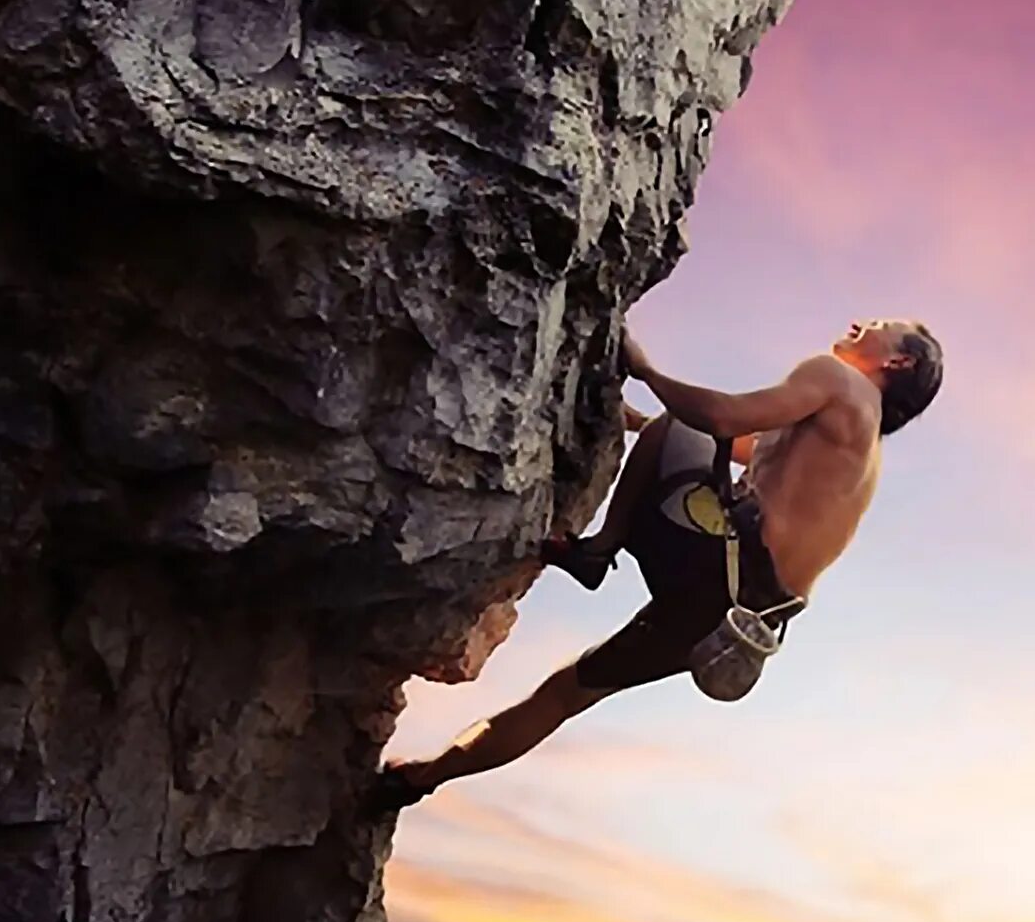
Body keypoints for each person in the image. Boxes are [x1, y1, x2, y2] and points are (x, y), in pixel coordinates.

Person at [369, 318, 943, 811]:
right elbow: (740, 449)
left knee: (687, 420)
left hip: (721, 569)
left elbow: (717, 420)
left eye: (881, 325)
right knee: (565, 695)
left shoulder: (837, 380)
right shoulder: (860, 447)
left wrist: (645, 369)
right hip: (740, 619)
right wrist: (638, 421)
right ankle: (419, 779)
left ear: (896, 359)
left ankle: (601, 547)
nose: (861, 322)